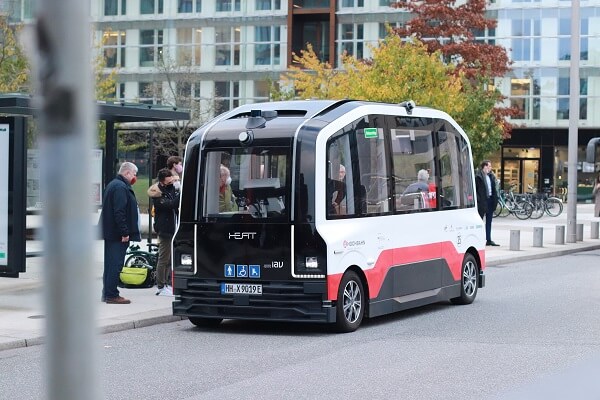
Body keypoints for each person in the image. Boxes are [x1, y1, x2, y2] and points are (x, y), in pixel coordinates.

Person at [100, 162, 141, 304]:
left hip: (111, 232)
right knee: (115, 264)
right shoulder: (120, 187)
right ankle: (112, 295)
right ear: (127, 173)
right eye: (134, 174)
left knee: (110, 264)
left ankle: (107, 293)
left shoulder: (114, 184)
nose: (135, 177)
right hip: (117, 234)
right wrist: (124, 232)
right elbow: (119, 212)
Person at [148, 168, 180, 296]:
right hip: (165, 229)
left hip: (173, 228)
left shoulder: (170, 188)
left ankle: (166, 283)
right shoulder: (157, 194)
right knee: (163, 259)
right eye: (168, 181)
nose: (171, 182)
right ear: (162, 182)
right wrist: (180, 193)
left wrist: (176, 187)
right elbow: (171, 204)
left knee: (170, 259)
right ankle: (160, 286)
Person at [475, 160, 499, 246]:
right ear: (484, 167)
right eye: (489, 166)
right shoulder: (478, 177)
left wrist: (495, 199)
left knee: (489, 221)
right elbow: (476, 190)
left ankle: (488, 239)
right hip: (482, 201)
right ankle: (478, 239)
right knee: (480, 221)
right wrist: (479, 199)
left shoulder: (491, 176)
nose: (490, 168)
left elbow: (493, 188)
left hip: (490, 200)